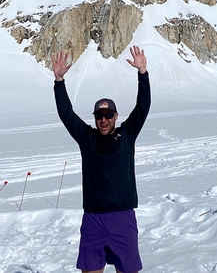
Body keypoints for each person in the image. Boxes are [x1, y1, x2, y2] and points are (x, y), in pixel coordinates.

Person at [52, 45, 151, 273]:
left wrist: (142, 74)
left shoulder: (126, 134)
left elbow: (143, 107)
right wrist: (59, 81)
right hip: (93, 219)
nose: (103, 120)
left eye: (108, 116)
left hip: (123, 218)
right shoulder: (87, 138)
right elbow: (67, 114)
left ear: (116, 116)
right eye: (99, 116)